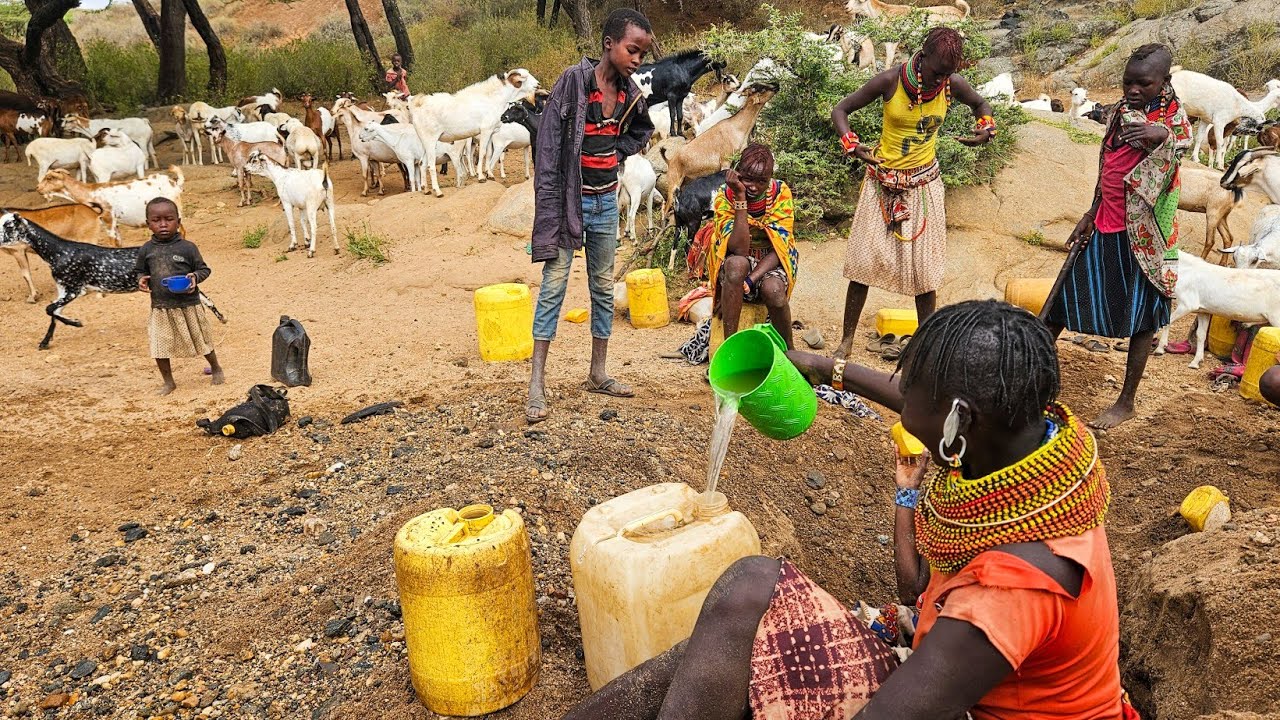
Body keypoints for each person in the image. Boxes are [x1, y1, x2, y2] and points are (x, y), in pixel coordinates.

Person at [562, 300, 1132, 720]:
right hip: (948, 657)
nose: (901, 397)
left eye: (914, 392)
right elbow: (925, 405)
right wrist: (820, 365)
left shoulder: (1012, 590)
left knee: (749, 594)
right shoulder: (1036, 449)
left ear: (960, 423)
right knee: (734, 631)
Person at [1043, 44, 1191, 429]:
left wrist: (1160, 134)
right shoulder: (1120, 114)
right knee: (1059, 305)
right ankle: (1029, 381)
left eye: (1144, 83)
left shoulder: (1173, 118)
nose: (1134, 89)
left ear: (1165, 82)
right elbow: (1107, 163)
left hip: (1144, 234)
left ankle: (1127, 401)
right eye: (1129, 82)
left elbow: (1180, 141)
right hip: (1105, 220)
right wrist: (1091, 211)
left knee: (1143, 317)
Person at [831, 27, 994, 361]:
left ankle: (925, 347)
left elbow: (980, 103)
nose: (940, 81)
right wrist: (852, 144)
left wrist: (986, 127)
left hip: (923, 184)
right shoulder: (890, 81)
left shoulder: (951, 84)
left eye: (948, 74)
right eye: (936, 72)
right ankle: (846, 340)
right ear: (923, 56)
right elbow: (840, 110)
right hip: (882, 183)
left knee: (925, 271)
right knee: (863, 263)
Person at [526, 9, 656, 424]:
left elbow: (642, 129)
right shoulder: (573, 83)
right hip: (570, 202)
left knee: (602, 286)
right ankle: (536, 384)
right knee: (553, 288)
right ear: (609, 44)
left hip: (605, 203)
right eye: (632, 50)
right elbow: (547, 147)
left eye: (642, 54)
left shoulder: (631, 93)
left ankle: (598, 372)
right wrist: (546, 209)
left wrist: (616, 153)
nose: (637, 60)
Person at [707, 143, 799, 348]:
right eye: (747, 179)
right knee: (735, 265)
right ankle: (730, 347)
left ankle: (789, 351)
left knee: (773, 290)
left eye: (761, 181)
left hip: (771, 260)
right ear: (737, 172)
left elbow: (780, 248)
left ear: (770, 179)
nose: (754, 187)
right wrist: (740, 198)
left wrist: (751, 279)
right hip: (739, 258)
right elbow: (738, 249)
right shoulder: (726, 195)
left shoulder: (779, 193)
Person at [134, 197, 223, 396]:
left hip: (188, 304)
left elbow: (204, 269)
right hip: (161, 306)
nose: (163, 224)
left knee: (202, 340)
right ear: (148, 224)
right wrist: (141, 279)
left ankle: (216, 367)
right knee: (159, 346)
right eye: (156, 220)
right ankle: (169, 382)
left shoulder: (188, 248)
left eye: (169, 219)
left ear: (179, 221)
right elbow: (139, 271)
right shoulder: (146, 250)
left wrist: (194, 278)